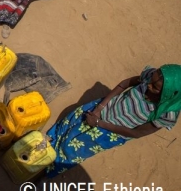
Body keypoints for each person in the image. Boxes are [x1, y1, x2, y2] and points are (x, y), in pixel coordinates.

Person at [46, 64, 181, 177]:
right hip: (103, 108)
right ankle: (47, 142)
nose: (148, 85)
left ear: (170, 93)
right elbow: (124, 84)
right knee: (69, 124)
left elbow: (135, 133)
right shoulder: (150, 76)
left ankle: (47, 169)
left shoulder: (166, 113)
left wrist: (99, 124)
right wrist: (100, 107)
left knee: (71, 149)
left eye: (155, 88)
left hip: (109, 133)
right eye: (151, 80)